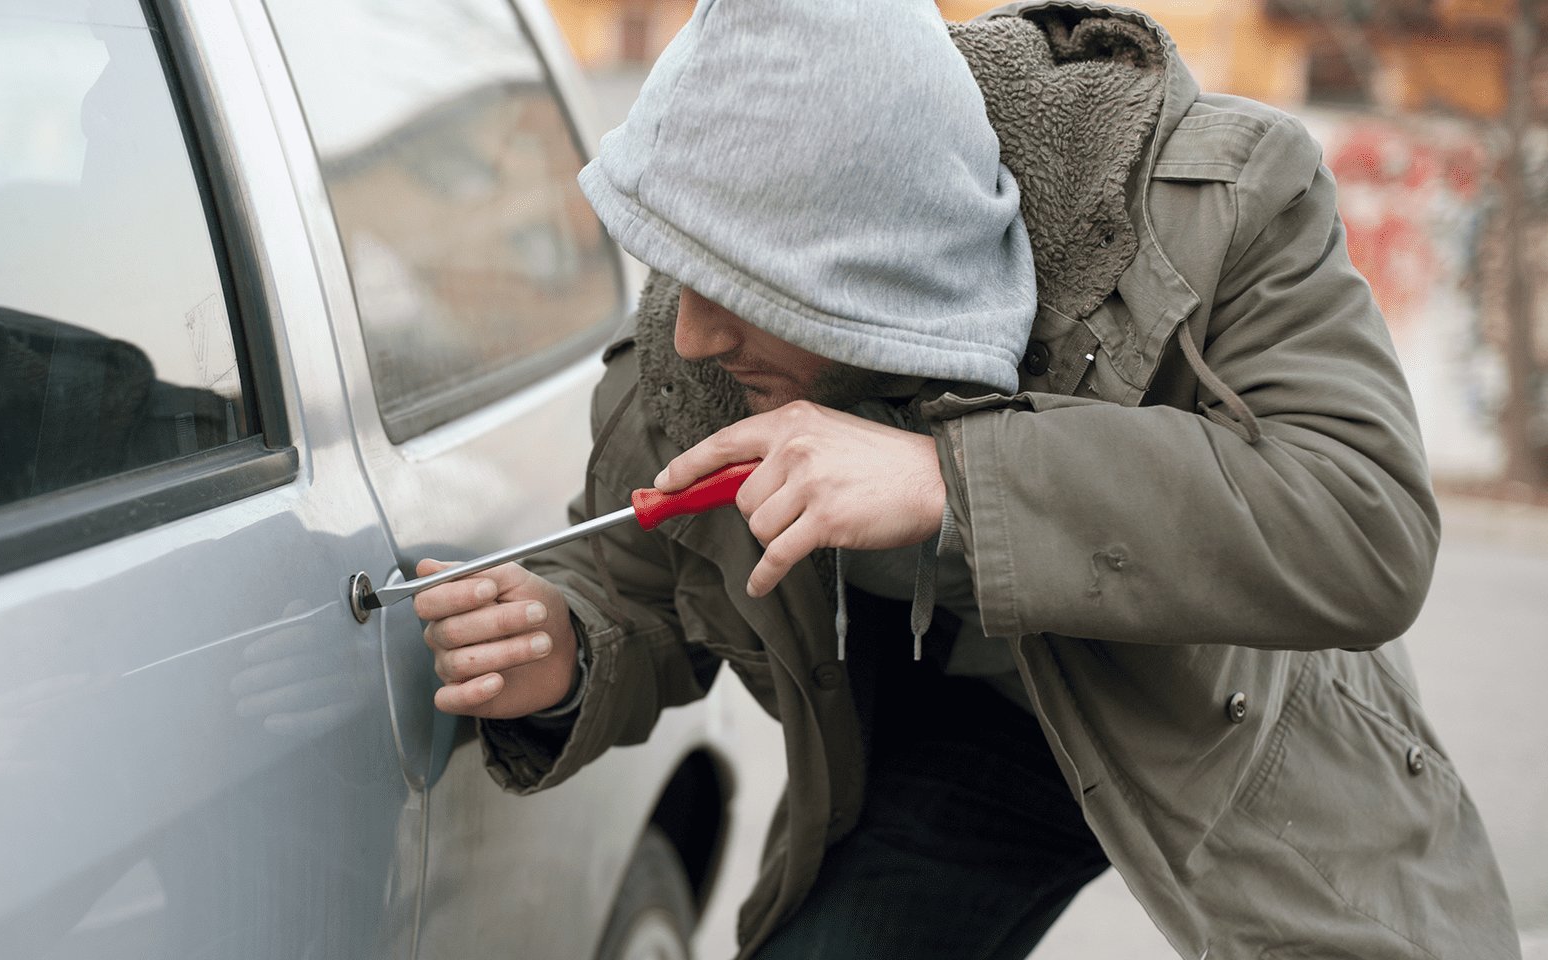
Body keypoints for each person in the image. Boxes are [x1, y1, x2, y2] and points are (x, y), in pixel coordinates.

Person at [412, 1, 1520, 958]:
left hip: (1231, 712)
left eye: (738, 288)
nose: (693, 334)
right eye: (680, 269)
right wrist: (566, 646)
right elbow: (644, 581)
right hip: (965, 750)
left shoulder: (1224, 201)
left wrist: (952, 479)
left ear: (869, 266)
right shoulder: (688, 363)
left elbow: (1362, 525)